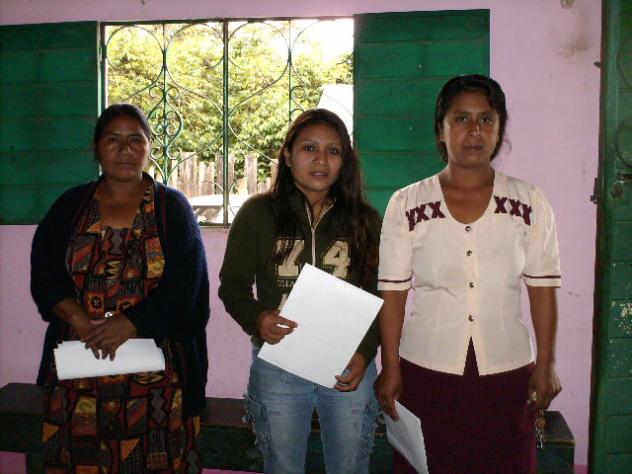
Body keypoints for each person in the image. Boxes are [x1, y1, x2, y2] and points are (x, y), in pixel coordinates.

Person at [375, 75, 562, 474]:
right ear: (440, 130)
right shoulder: (407, 203)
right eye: (461, 118)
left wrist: (545, 364)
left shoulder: (529, 201)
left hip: (507, 371)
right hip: (426, 369)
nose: (474, 131)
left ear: (499, 128)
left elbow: (543, 289)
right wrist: (390, 366)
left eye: (486, 119)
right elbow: (393, 294)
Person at [31, 103, 210, 473]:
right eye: (113, 140)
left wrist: (130, 323)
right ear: (96, 147)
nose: (125, 149)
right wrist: (80, 320)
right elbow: (45, 275)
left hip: (157, 385)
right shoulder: (70, 206)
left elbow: (187, 286)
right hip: (78, 376)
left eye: (135, 140)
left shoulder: (171, 208)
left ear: (149, 147)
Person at [219, 109, 381, 474]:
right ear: (288, 156)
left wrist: (366, 351)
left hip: (348, 362)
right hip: (280, 361)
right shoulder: (258, 213)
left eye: (333, 151)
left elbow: (378, 294)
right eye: (309, 148)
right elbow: (232, 286)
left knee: (351, 467)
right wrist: (257, 319)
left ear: (345, 161)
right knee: (282, 467)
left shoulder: (365, 219)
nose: (321, 159)